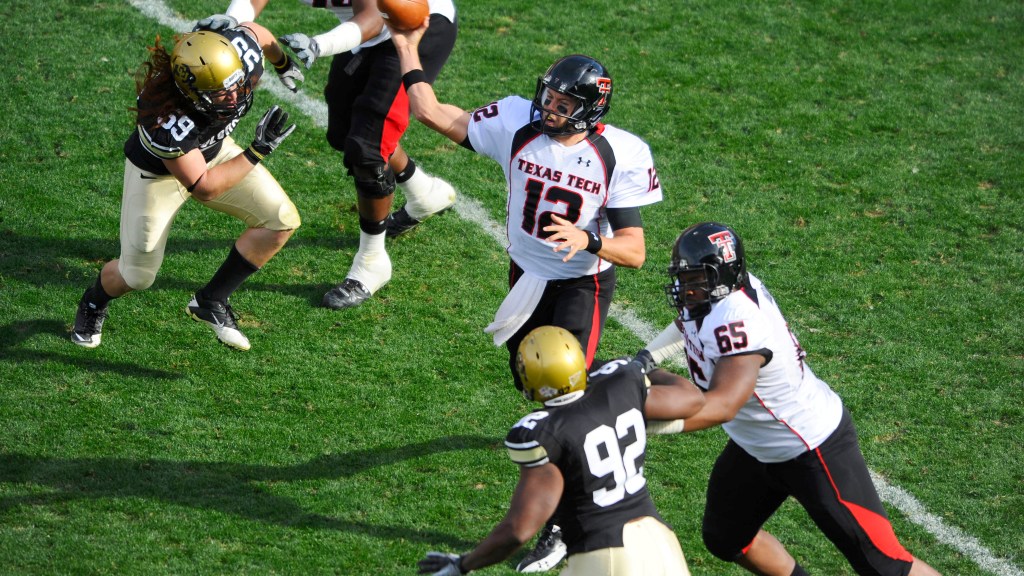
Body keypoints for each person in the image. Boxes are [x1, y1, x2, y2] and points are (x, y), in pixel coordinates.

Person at [389, 22, 663, 570]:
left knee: (567, 406)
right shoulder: (518, 121)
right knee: (535, 387)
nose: (550, 107)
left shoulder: (620, 153)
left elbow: (635, 251)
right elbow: (431, 111)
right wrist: (405, 46)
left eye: (563, 102)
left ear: (589, 108)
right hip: (524, 276)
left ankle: (561, 529)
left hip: (579, 282)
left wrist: (587, 238)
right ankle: (619, 380)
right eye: (549, 96)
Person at [635, 221, 942, 576]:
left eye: (695, 280)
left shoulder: (738, 320)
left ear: (721, 277)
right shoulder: (717, 296)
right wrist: (645, 360)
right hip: (757, 446)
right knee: (727, 537)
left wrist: (643, 425)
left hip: (811, 445)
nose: (686, 290)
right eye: (684, 279)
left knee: (883, 565)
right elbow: (687, 322)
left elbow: (722, 405)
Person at [204, 0, 459, 309]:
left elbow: (373, 17)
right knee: (345, 131)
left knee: (366, 150)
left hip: (414, 26)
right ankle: (424, 192)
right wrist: (234, 22)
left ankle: (372, 261)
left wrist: (318, 44)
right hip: (365, 29)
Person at [71, 22, 301, 351]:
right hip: (158, 178)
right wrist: (256, 151)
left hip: (214, 152)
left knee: (280, 220)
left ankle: (211, 300)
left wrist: (282, 62)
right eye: (222, 92)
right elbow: (204, 186)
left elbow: (256, 32)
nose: (235, 95)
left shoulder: (238, 58)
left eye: (236, 83)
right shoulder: (164, 116)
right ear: (192, 92)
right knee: (137, 275)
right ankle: (94, 301)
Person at [416, 325, 705, 576]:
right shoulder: (621, 387)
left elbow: (519, 529)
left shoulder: (543, 432)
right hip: (661, 541)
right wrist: (644, 368)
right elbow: (692, 399)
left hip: (603, 553)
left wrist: (464, 563)